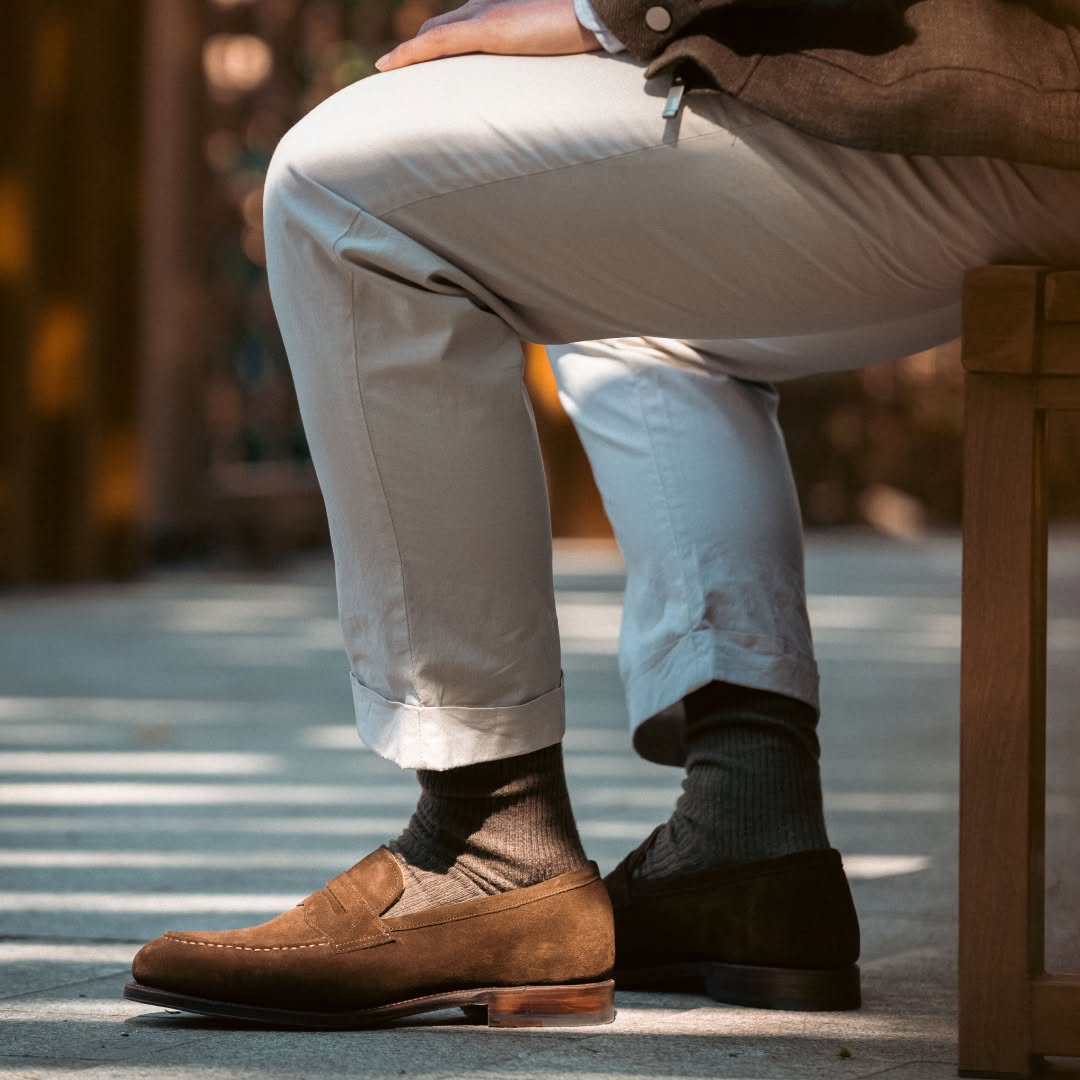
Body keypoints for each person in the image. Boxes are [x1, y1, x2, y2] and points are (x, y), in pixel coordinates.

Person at [124, 0, 1080, 1028]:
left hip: (1023, 105)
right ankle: (748, 834)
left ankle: (489, 844)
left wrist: (610, 14)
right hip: (1028, 117)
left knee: (338, 188)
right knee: (616, 287)